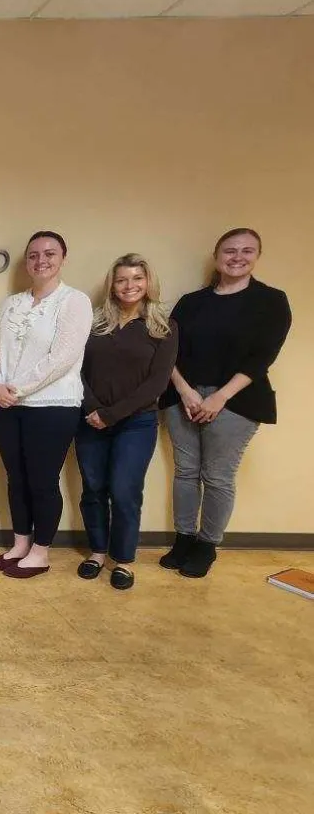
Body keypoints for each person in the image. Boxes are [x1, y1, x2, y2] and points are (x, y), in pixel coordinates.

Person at [159, 228, 291, 578]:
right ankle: (184, 538)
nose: (237, 257)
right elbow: (167, 350)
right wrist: (186, 391)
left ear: (257, 257)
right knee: (186, 472)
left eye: (247, 251)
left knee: (217, 476)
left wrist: (219, 396)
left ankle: (207, 545)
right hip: (182, 396)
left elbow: (262, 357)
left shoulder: (271, 301)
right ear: (217, 256)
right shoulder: (192, 302)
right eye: (230, 250)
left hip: (236, 401)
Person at [0, 231, 93, 578]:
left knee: (43, 480)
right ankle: (20, 542)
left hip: (52, 406)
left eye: (49, 253)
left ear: (63, 258)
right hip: (6, 405)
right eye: (33, 255)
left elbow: (61, 358)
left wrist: (17, 388)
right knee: (16, 478)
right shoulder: (10, 303)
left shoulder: (74, 301)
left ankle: (41, 551)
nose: (41, 260)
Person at [75, 254, 178, 590]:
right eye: (122, 280)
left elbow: (157, 383)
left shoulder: (163, 326)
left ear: (148, 282)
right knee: (93, 489)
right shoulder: (94, 322)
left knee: (124, 491)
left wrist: (110, 414)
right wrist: (94, 409)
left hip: (136, 422)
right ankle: (97, 553)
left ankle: (123, 560)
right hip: (90, 419)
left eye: (137, 278)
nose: (129, 286)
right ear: (112, 285)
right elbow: (76, 368)